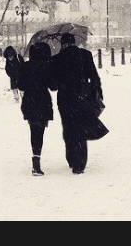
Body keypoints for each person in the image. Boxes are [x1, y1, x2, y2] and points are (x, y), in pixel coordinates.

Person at [51, 33, 108, 175]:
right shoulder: (85, 55)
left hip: (65, 98)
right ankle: (80, 163)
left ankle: (71, 157)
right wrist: (98, 93)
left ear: (62, 43)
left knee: (68, 126)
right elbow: (94, 77)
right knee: (81, 127)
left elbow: (53, 85)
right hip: (83, 96)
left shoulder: (56, 59)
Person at [18, 41, 57, 176]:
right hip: (42, 100)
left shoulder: (25, 66)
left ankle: (35, 160)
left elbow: (21, 86)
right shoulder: (47, 66)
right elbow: (53, 86)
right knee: (39, 131)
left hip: (29, 100)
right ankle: (36, 161)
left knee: (33, 129)